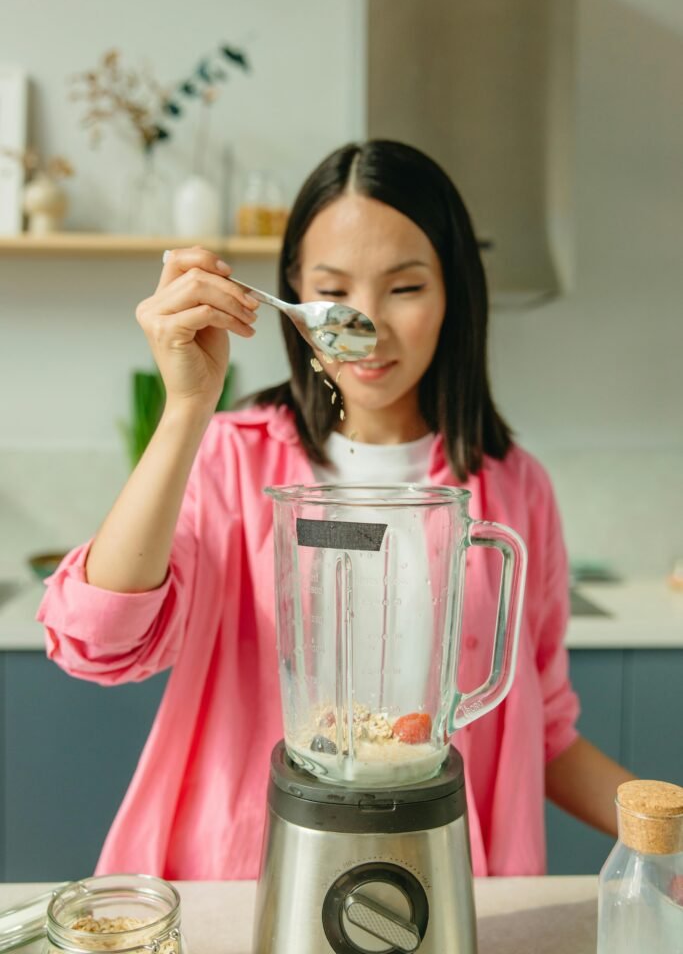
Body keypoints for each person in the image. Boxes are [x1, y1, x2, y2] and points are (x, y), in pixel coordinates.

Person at [37, 140, 634, 880]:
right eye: (333, 288)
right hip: (244, 878)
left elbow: (538, 728)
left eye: (405, 288)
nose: (369, 323)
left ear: (453, 293)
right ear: (295, 292)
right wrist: (189, 405)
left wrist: (666, 822)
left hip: (440, 875)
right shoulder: (232, 459)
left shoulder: (513, 488)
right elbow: (94, 641)